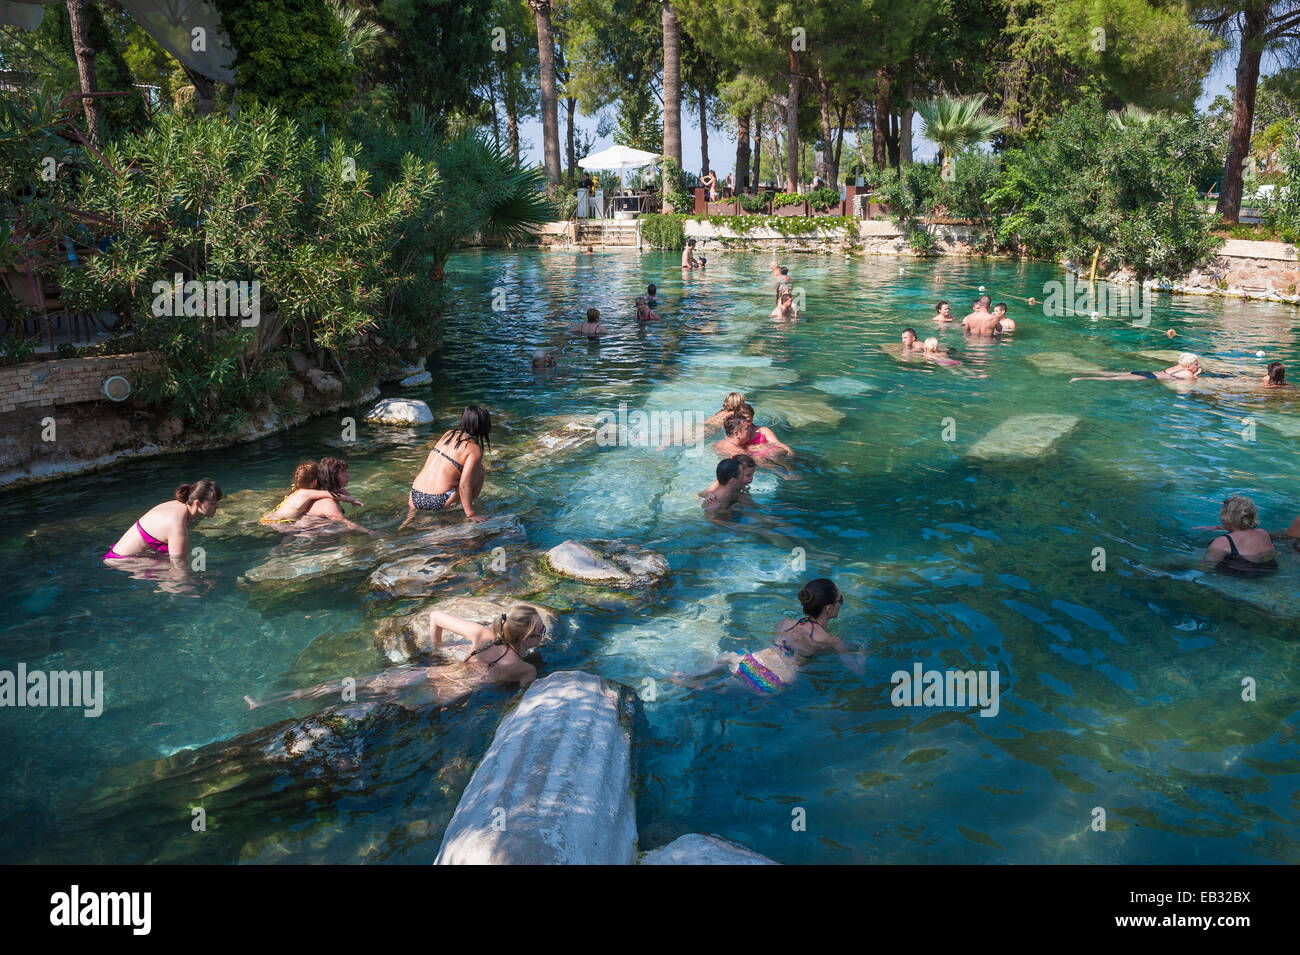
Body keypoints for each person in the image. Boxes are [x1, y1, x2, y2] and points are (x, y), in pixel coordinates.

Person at [245, 605, 548, 710]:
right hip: (443, 698)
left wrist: (438, 648)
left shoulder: (482, 635)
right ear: (525, 638)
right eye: (540, 633)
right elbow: (514, 706)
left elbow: (436, 616)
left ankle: (269, 701)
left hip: (425, 674)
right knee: (370, 706)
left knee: (349, 687)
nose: (543, 638)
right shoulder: (524, 669)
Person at [681, 579, 864, 693]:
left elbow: (778, 644)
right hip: (773, 679)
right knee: (718, 692)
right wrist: (862, 656)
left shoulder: (786, 622)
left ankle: (692, 677)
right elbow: (856, 672)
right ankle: (703, 686)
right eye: (841, 601)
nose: (841, 604)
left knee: (715, 679)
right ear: (830, 608)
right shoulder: (830, 640)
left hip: (747, 659)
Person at [105, 479, 222, 570]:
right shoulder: (177, 526)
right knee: (177, 573)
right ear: (197, 503)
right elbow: (178, 567)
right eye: (213, 503)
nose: (217, 507)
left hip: (120, 554)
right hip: (123, 561)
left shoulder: (179, 505)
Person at [408, 405, 490, 520]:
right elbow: (464, 486)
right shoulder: (474, 449)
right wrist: (471, 514)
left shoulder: (448, 434)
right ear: (483, 426)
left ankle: (408, 519)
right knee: (480, 470)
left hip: (414, 496)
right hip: (437, 501)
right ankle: (458, 512)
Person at [260, 461, 361, 527]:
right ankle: (281, 548)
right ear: (315, 481)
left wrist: (345, 493)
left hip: (269, 518)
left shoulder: (297, 490)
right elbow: (331, 494)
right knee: (293, 533)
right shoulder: (307, 493)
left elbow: (339, 489)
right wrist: (351, 500)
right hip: (278, 523)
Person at [1202, 495, 1277, 576]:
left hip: (1242, 574)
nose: (1221, 517)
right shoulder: (1263, 533)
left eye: (1222, 514)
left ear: (1227, 517)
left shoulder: (1222, 542)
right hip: (1270, 569)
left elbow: (1204, 568)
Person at [1070, 353, 1201, 383]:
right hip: (1149, 376)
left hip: (1148, 372)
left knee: (1112, 373)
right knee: (1114, 378)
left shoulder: (1177, 366)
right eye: (1196, 364)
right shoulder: (1188, 373)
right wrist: (1196, 375)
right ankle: (1081, 378)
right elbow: (1189, 383)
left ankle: (1078, 371)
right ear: (1189, 366)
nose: (1198, 365)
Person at [714, 414, 793, 458]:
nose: (751, 430)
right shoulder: (736, 451)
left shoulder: (730, 443)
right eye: (747, 429)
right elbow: (758, 459)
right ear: (737, 434)